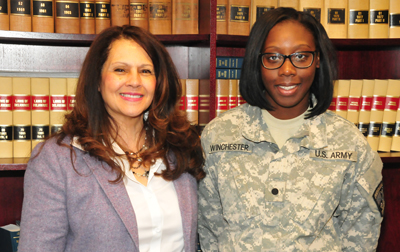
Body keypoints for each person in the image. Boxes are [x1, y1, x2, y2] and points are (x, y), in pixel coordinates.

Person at [198, 7, 384, 251]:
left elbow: (362, 235)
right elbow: (208, 231)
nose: (287, 70)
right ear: (258, 61)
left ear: (317, 60)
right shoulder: (218, 135)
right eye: (273, 57)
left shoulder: (348, 143)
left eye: (300, 56)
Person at [18, 25, 205, 252]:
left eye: (145, 71)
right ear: (97, 80)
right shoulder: (56, 160)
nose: (134, 81)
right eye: (120, 70)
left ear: (158, 82)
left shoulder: (180, 148)